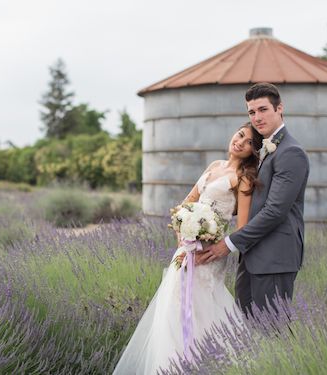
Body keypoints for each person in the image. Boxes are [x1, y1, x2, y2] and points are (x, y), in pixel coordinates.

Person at [113, 122, 263, 374]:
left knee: (201, 304)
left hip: (209, 254)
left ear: (253, 151)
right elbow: (187, 202)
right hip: (186, 249)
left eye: (248, 142)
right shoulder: (214, 166)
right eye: (239, 135)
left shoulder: (244, 179)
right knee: (173, 303)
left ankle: (207, 364)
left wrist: (214, 243)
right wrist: (183, 231)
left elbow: (241, 227)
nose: (240, 142)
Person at [199, 82, 310, 316]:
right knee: (246, 332)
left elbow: (275, 211)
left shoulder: (291, 152)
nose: (257, 117)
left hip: (275, 258)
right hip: (251, 255)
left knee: (272, 333)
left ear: (279, 108)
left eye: (263, 109)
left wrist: (228, 244)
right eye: (251, 112)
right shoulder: (261, 152)